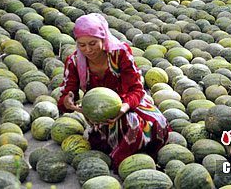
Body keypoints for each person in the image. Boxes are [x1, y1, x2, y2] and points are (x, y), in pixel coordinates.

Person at [57, 13, 171, 170]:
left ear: (103, 38)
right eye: (82, 45)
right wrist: (68, 101)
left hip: (129, 103)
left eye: (93, 43)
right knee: (111, 136)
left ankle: (134, 160)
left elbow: (136, 89)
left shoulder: (120, 53)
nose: (88, 50)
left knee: (147, 124)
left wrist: (122, 109)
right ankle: (123, 159)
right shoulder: (74, 61)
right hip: (99, 113)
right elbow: (66, 94)